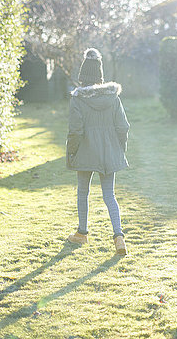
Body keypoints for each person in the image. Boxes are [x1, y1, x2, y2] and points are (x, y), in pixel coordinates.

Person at [66, 48, 130, 256]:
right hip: (108, 153)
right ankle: (118, 236)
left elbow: (75, 131)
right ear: (100, 76)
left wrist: (72, 153)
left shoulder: (78, 99)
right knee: (109, 195)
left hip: (85, 152)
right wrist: (120, 148)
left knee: (83, 192)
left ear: (82, 76)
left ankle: (82, 233)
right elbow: (123, 127)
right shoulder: (113, 98)